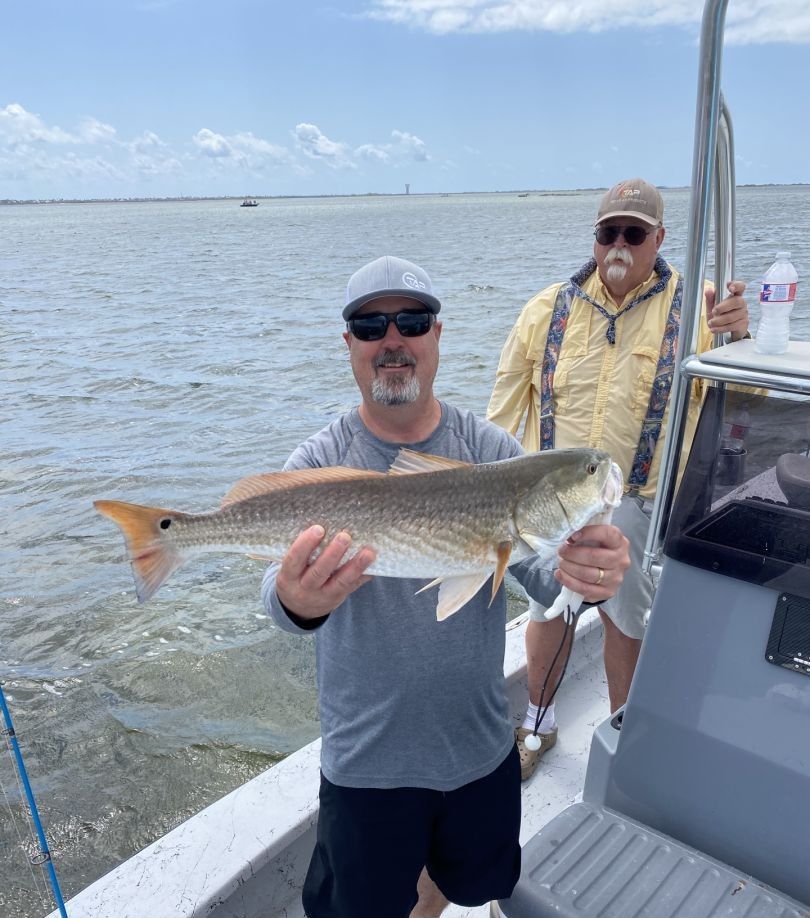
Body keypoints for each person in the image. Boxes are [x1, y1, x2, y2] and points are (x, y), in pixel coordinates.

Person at [261, 255, 632, 918]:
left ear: (437, 335)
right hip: (365, 761)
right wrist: (296, 602)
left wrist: (590, 576)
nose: (392, 339)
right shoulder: (319, 463)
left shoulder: (490, 450)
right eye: (371, 325)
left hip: (478, 745)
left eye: (412, 320)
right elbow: (277, 598)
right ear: (348, 344)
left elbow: (545, 583)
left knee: (471, 884)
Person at [487, 178, 750, 781]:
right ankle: (539, 724)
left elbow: (745, 400)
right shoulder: (546, 310)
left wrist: (740, 336)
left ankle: (622, 740)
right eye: (610, 232)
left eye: (635, 233)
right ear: (595, 237)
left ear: (659, 237)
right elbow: (501, 417)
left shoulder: (699, 310)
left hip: (638, 500)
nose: (620, 245)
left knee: (623, 618)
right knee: (546, 611)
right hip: (549, 505)